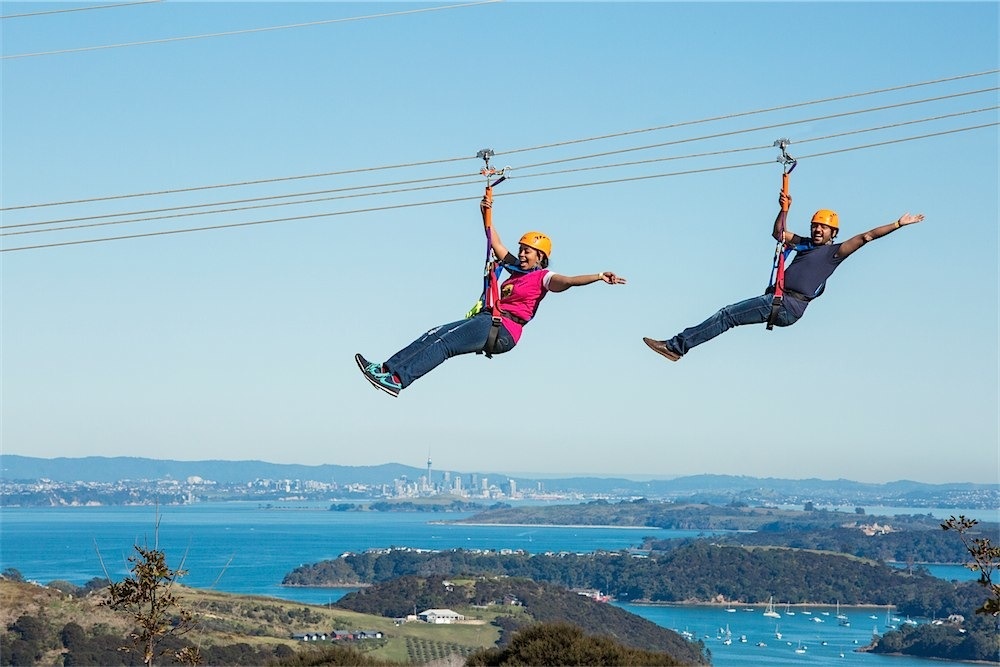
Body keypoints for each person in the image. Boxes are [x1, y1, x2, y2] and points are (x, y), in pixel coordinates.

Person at [356, 196, 627, 397]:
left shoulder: (543, 277)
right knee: (433, 333)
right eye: (521, 249)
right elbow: (495, 244)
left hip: (502, 329)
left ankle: (399, 380)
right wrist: (487, 211)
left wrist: (599, 275)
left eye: (527, 252)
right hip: (491, 319)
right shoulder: (515, 269)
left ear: (540, 257)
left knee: (444, 344)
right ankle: (386, 369)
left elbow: (567, 282)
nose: (521, 254)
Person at [642, 192, 925, 362]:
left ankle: (676, 347)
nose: (817, 231)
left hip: (787, 304)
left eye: (823, 229)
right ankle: (677, 347)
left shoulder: (834, 253)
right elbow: (779, 234)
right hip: (779, 301)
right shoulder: (801, 243)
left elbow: (866, 237)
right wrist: (785, 208)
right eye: (815, 226)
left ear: (833, 234)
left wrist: (898, 224)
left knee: (727, 315)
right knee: (728, 316)